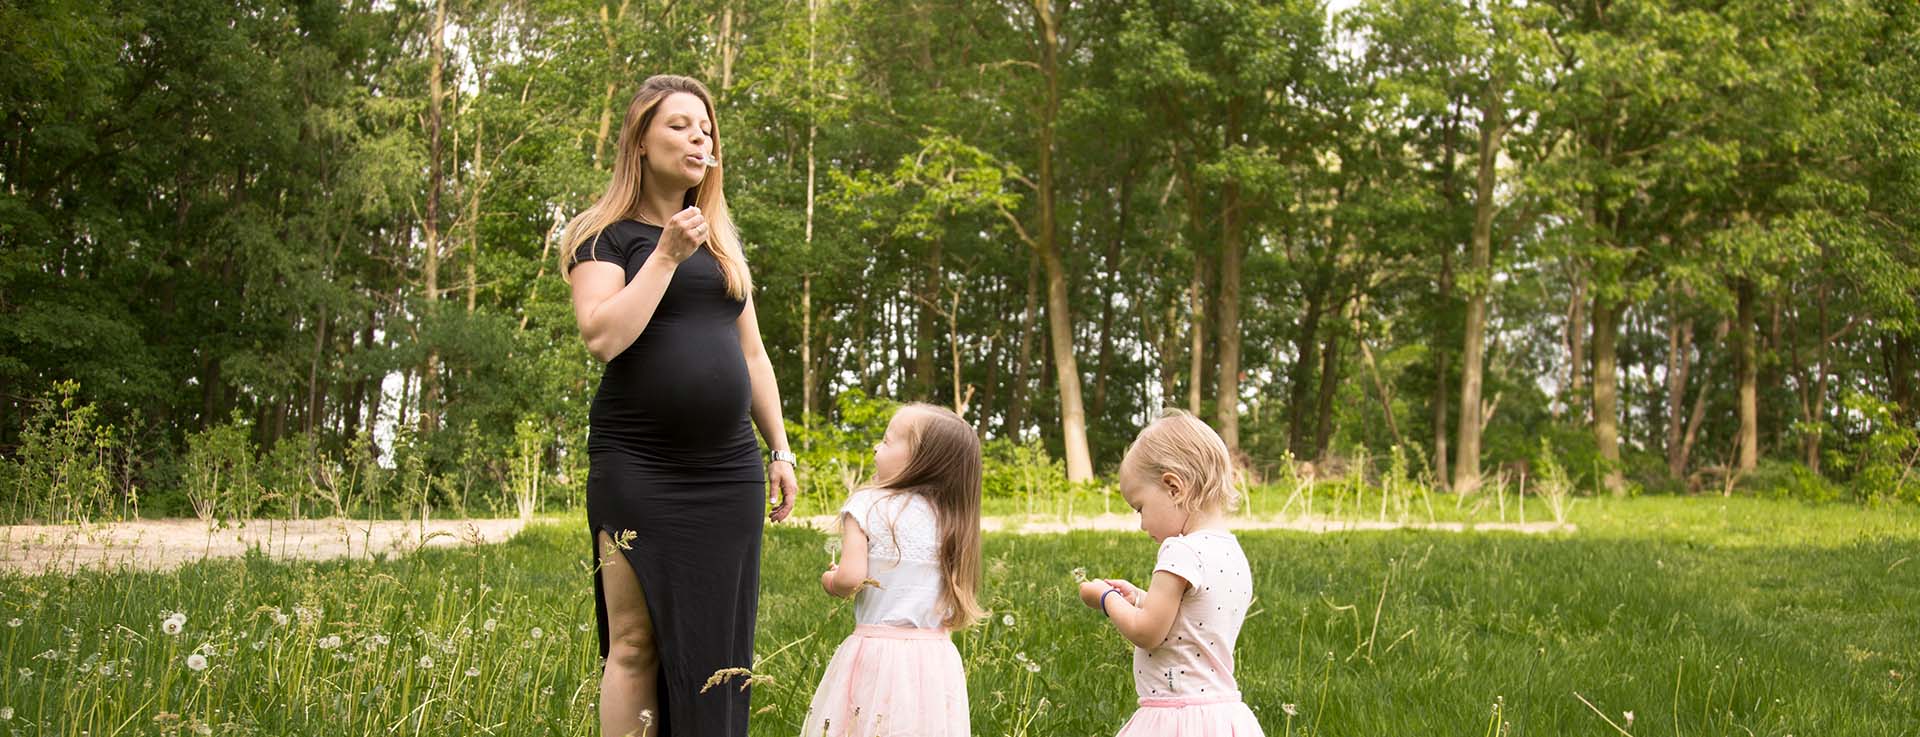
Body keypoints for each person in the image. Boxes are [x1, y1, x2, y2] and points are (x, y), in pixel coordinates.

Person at [563, 74, 800, 737]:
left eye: (706, 128)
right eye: (679, 125)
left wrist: (780, 449)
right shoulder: (603, 236)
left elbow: (754, 356)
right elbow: (603, 336)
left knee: (720, 648)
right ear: (639, 140)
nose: (699, 137)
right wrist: (665, 255)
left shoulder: (722, 245)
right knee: (634, 642)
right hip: (638, 465)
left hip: (727, 471)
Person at [801, 403, 985, 737]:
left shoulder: (867, 505)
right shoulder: (953, 519)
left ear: (920, 461)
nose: (876, 447)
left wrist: (830, 580)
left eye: (886, 441)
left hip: (876, 655)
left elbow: (850, 579)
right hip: (935, 661)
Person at [1077, 410, 1264, 736]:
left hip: (1177, 717)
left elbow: (1148, 631)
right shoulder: (1232, 551)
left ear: (1174, 487)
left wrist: (1106, 599)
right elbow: (1191, 620)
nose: (1141, 524)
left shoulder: (1181, 551)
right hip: (1222, 716)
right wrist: (1140, 599)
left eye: (1140, 507)